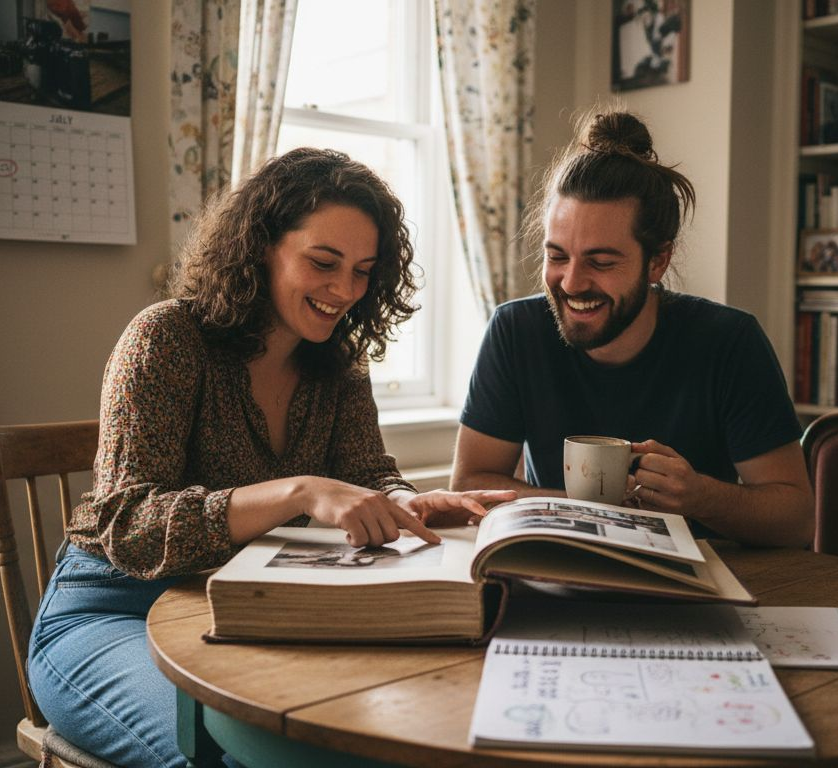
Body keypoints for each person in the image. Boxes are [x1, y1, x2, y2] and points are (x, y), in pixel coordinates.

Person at [27, 148, 512, 767]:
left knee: (356, 742)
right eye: (323, 262)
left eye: (363, 270)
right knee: (231, 755)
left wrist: (402, 500)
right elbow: (129, 524)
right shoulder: (166, 337)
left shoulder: (339, 363)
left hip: (246, 609)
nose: (344, 290)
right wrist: (299, 491)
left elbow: (367, 472)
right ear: (260, 246)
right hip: (112, 612)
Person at [451, 111, 812, 549]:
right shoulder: (515, 330)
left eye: (601, 263)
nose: (571, 283)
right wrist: (594, 512)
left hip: (698, 582)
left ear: (657, 261)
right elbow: (469, 484)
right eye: (558, 256)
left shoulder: (729, 341)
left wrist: (702, 497)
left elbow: (795, 520)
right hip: (560, 573)